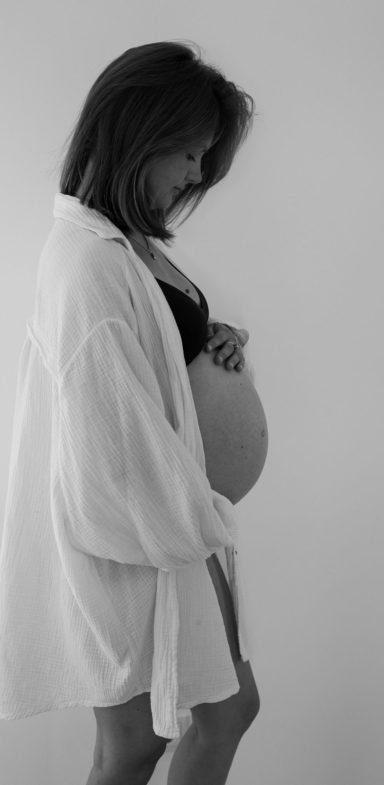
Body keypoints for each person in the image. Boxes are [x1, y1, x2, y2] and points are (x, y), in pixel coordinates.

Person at [0, 41, 265, 785]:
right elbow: (103, 442)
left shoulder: (124, 244)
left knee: (212, 714)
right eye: (187, 153)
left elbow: (149, 365)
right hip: (141, 541)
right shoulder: (85, 262)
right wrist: (200, 522)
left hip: (174, 531)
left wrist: (208, 343)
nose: (193, 176)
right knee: (144, 741)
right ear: (138, 135)